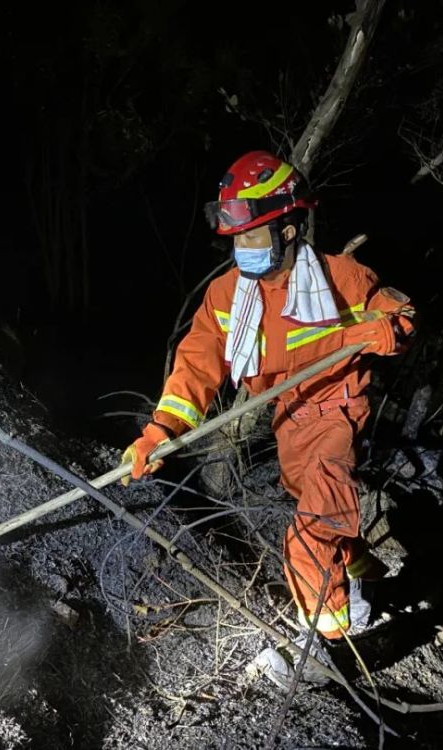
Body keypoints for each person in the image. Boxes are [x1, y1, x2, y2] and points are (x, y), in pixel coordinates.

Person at [121, 150, 416, 649]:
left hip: (337, 413)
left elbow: (399, 311)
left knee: (311, 533)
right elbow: (197, 365)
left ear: (288, 230)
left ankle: (336, 639)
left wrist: (390, 326)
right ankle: (361, 568)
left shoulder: (340, 277)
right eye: (237, 238)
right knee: (315, 507)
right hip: (289, 421)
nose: (243, 248)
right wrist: (159, 432)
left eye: (253, 236)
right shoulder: (226, 295)